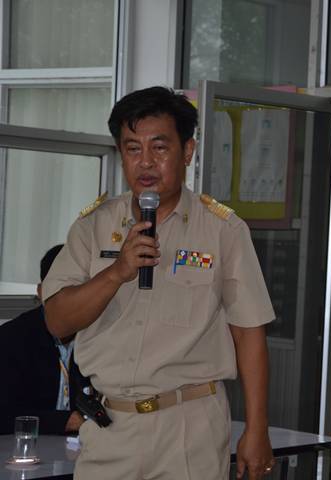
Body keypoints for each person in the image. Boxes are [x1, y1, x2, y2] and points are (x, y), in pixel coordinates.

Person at [42, 86, 276, 480]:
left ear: (187, 151)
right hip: (108, 427)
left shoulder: (223, 230)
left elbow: (248, 333)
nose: (145, 162)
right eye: (133, 149)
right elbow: (57, 321)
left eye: (160, 148)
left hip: (188, 426)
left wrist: (258, 428)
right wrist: (116, 272)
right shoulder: (91, 227)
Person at [0, 244, 85, 435]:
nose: (69, 301)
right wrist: (62, 421)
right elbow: (3, 415)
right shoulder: (11, 339)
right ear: (40, 292)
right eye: (62, 291)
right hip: (24, 446)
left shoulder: (99, 338)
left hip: (85, 445)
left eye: (78, 290)